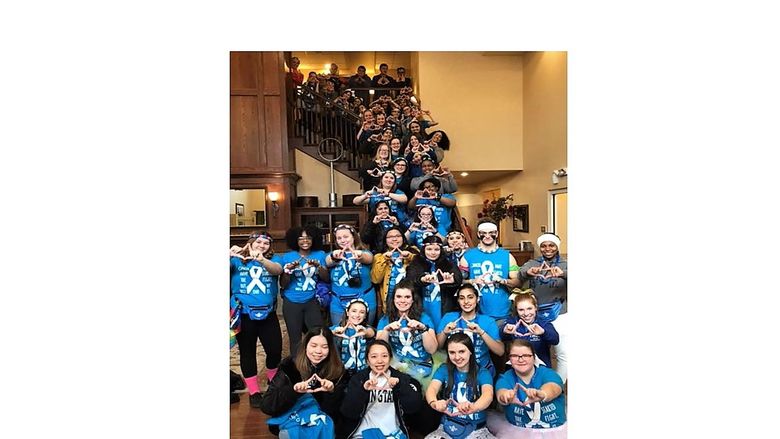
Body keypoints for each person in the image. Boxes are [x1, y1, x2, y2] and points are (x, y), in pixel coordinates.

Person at [260, 327, 349, 437]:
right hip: (292, 419)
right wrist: (293, 391)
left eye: (324, 347)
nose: (318, 351)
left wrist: (332, 392)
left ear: (330, 349)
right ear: (305, 346)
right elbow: (267, 406)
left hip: (322, 422)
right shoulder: (290, 366)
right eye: (313, 345)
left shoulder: (338, 371)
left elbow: (341, 413)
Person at [229, 232, 284, 408]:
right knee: (247, 352)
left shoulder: (274, 258)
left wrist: (261, 259)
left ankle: (272, 380)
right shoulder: (237, 260)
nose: (262, 245)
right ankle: (253, 392)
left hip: (268, 314)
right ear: (250, 242)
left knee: (275, 350)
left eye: (266, 243)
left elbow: (278, 270)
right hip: (244, 314)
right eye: (258, 242)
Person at [340, 340, 424, 439]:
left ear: (390, 358)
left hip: (393, 434)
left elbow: (414, 408)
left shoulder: (400, 378)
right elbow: (349, 412)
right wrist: (363, 390)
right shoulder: (358, 379)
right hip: (362, 435)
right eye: (374, 356)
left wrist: (399, 386)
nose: (380, 361)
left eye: (384, 356)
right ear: (367, 360)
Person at [487, 340, 567, 439]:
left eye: (526, 355)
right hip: (518, 431)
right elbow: (501, 392)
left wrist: (543, 394)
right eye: (515, 356)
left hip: (554, 431)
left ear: (534, 357)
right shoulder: (505, 378)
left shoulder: (548, 373)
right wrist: (506, 396)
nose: (521, 360)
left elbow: (554, 387)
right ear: (509, 359)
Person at [424, 333, 497, 439]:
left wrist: (473, 407)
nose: (457, 357)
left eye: (461, 351)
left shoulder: (483, 372)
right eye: (452, 352)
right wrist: (434, 403)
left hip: (476, 428)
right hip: (447, 427)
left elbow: (488, 395)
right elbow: (432, 389)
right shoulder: (444, 369)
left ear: (470, 351)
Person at [519, 233, 568, 382]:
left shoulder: (565, 264)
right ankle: (536, 384)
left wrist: (564, 274)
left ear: (557, 247)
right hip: (535, 314)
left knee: (563, 353)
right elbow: (520, 274)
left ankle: (557, 385)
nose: (547, 249)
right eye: (544, 246)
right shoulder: (533, 262)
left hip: (561, 312)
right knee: (536, 351)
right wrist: (528, 272)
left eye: (551, 245)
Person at [280, 226, 330, 355]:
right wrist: (288, 271)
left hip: (312, 300)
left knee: (318, 334)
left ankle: (319, 364)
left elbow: (326, 278)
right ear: (295, 240)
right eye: (301, 238)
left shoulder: (320, 254)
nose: (305, 241)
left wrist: (319, 266)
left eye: (308, 238)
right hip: (291, 301)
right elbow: (283, 284)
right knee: (295, 338)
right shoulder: (287, 257)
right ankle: (297, 367)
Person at [459, 219, 520, 325]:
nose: (487, 236)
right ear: (478, 234)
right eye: (483, 233)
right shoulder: (468, 256)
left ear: (496, 233)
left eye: (491, 233)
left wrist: (503, 280)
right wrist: (473, 281)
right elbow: (458, 281)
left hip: (502, 313)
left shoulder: (508, 256)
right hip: (476, 313)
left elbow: (517, 282)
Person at [376, 279, 438, 382]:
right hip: (397, 365)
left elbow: (432, 350)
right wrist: (386, 330)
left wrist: (423, 329)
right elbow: (378, 348)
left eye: (407, 297)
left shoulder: (424, 318)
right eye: (399, 296)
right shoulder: (385, 320)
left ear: (413, 299)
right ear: (393, 299)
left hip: (422, 365)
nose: (403, 301)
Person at [437, 285, 504, 378]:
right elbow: (437, 347)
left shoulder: (488, 321)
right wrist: (444, 332)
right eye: (462, 298)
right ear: (458, 301)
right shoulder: (449, 318)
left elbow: (500, 351)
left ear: (477, 299)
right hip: (456, 369)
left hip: (482, 369)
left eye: (470, 297)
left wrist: (482, 333)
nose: (466, 302)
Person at [406, 235, 462, 330]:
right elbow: (410, 281)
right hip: (422, 303)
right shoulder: (416, 263)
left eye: (436, 249)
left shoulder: (448, 263)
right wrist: (422, 280)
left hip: (444, 304)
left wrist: (452, 281)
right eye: (429, 249)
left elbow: (458, 279)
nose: (433, 253)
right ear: (423, 249)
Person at [325, 224, 376, 325]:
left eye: (346, 236)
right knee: (339, 333)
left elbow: (368, 258)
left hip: (364, 299)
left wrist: (359, 255)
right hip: (338, 302)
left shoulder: (366, 252)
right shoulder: (332, 254)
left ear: (354, 237)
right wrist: (334, 256)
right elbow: (328, 261)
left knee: (364, 333)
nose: (343, 240)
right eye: (339, 238)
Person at [501, 290, 559, 370]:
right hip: (517, 368)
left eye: (529, 308)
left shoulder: (543, 323)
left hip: (541, 369)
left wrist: (543, 332)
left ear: (535, 307)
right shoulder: (512, 322)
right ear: (516, 310)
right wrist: (505, 331)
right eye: (521, 310)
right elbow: (501, 336)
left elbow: (555, 340)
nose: (526, 313)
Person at [370, 226, 418, 316]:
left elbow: (423, 266)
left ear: (403, 238)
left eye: (398, 236)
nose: (394, 239)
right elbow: (375, 280)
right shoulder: (379, 256)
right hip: (390, 297)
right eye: (390, 237)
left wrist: (409, 257)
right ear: (385, 240)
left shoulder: (413, 251)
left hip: (410, 296)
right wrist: (384, 259)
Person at [330, 298, 376, 377]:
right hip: (341, 373)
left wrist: (365, 332)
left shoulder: (367, 329)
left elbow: (371, 333)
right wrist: (333, 333)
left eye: (362, 312)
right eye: (354, 311)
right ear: (347, 312)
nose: (357, 315)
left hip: (363, 373)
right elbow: (321, 334)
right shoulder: (336, 328)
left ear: (365, 316)